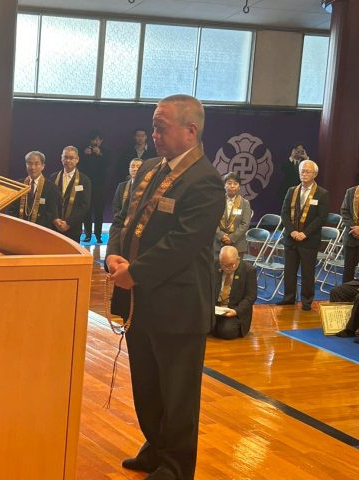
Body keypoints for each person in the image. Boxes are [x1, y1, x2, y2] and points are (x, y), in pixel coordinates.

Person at [106, 94, 224, 480]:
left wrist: (135, 272)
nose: (153, 134)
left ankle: (176, 466)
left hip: (178, 305)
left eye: (161, 127)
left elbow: (182, 245)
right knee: (147, 384)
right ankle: (155, 447)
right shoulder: (149, 168)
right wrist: (113, 255)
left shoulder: (205, 181)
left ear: (190, 131)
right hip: (141, 299)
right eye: (153, 127)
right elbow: (123, 217)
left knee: (178, 393)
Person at [276, 159, 329, 311]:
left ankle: (306, 301)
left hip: (309, 240)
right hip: (291, 238)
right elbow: (284, 213)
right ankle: (288, 298)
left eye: (307, 171)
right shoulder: (291, 190)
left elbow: (321, 218)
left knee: (307, 272)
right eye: (302, 171)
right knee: (289, 271)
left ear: (315, 174)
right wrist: (292, 231)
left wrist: (305, 233)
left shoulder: (322, 193)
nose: (304, 174)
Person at [6, 151, 59, 229]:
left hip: (40, 231)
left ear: (43, 166)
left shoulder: (51, 187)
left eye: (36, 164)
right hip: (18, 228)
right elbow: (10, 209)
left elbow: (51, 214)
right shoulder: (18, 185)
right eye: (30, 163)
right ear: (26, 165)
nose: (32, 167)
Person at [49, 146, 91, 243]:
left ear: (77, 159)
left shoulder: (84, 180)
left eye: (71, 158)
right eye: (65, 157)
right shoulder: (53, 177)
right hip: (54, 227)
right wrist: (55, 219)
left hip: (73, 228)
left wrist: (68, 223)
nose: (68, 161)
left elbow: (84, 206)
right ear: (61, 158)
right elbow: (50, 202)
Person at [214, 246, 257, 339]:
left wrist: (236, 311)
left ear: (238, 259)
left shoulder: (248, 270)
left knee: (227, 332)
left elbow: (250, 297)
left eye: (231, 265)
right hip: (215, 309)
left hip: (234, 310)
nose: (227, 268)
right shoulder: (214, 265)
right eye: (223, 265)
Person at [79, 130, 110, 243]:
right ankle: (87, 234)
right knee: (86, 211)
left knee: (99, 212)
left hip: (100, 187)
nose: (95, 142)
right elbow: (79, 168)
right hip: (86, 186)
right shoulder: (84, 151)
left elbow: (108, 165)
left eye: (98, 139)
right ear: (90, 140)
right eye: (93, 139)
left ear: (101, 141)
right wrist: (84, 155)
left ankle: (98, 235)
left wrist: (100, 154)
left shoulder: (105, 152)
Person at [214, 172, 252, 257]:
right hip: (218, 243)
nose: (232, 186)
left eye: (235, 183)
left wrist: (231, 238)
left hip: (237, 244)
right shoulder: (217, 201)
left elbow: (245, 224)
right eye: (229, 183)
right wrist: (221, 235)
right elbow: (212, 220)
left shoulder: (245, 203)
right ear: (224, 185)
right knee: (216, 265)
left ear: (239, 187)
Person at [340, 184, 359, 282]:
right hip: (351, 236)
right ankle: (346, 292)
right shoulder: (351, 191)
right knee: (348, 271)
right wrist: (354, 228)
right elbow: (344, 211)